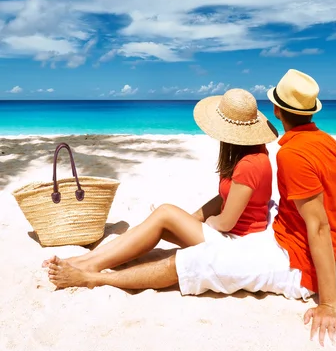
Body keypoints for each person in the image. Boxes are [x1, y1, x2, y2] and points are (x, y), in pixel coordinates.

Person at [46, 70, 336, 345]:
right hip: (282, 241)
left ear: (276, 110)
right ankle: (90, 263)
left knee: (190, 263)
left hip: (296, 263)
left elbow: (319, 226)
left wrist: (328, 303)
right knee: (173, 227)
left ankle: (92, 278)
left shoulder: (291, 155)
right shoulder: (328, 143)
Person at [43, 88, 278, 275]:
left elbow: (225, 223)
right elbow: (225, 197)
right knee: (156, 221)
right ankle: (86, 259)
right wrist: (193, 218)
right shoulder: (254, 153)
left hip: (235, 242)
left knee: (164, 214)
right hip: (231, 234)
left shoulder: (249, 164)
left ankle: (90, 265)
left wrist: (206, 223)